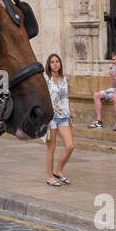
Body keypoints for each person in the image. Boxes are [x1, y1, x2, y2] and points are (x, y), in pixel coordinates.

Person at [44, 53, 74, 186]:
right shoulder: (45, 79)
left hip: (63, 116)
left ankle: (58, 170)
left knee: (70, 145)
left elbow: (65, 99)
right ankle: (50, 177)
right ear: (49, 65)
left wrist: (70, 115)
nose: (55, 64)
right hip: (50, 117)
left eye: (57, 61)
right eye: (52, 62)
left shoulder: (64, 79)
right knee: (52, 148)